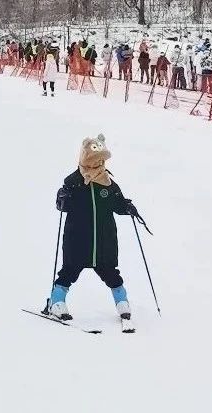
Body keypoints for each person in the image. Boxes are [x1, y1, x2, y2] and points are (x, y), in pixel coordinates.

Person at [48, 134, 139, 333]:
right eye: (95, 160)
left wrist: (127, 207)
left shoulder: (108, 184)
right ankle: (56, 302)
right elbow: (61, 204)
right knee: (70, 270)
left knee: (110, 272)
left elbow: (118, 204)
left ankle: (122, 302)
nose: (99, 163)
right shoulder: (73, 182)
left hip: (104, 239)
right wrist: (62, 199)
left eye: (101, 160)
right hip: (78, 238)